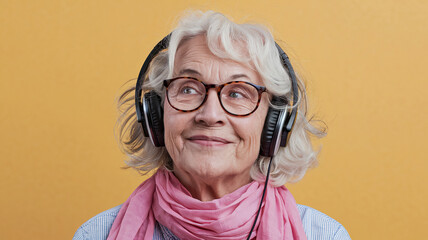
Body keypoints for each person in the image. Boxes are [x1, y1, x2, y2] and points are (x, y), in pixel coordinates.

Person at [73, 11, 351, 240]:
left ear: (274, 123)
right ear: (156, 114)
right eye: (188, 89)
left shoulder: (324, 235)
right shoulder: (96, 234)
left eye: (238, 93)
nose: (210, 114)